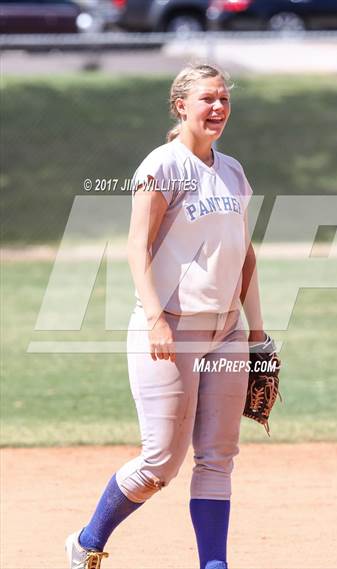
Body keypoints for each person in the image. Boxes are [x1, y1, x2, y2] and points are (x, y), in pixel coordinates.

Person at [65, 63, 266, 569]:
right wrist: (155, 317)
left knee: (218, 457)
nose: (218, 107)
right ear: (181, 107)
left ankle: (213, 564)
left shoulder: (234, 170)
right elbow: (137, 245)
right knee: (160, 463)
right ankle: (87, 541)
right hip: (172, 328)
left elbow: (245, 255)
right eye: (207, 99)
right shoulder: (163, 165)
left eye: (223, 99)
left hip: (225, 332)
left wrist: (257, 334)